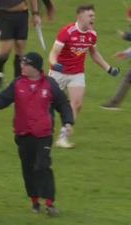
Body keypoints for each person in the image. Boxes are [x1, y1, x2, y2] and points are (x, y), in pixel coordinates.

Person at [0, 52, 74, 217]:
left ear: (35, 67)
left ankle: (50, 203)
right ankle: (35, 200)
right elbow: (4, 99)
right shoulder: (17, 83)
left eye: (25, 64)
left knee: (42, 165)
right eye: (22, 63)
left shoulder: (50, 84)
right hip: (23, 133)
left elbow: (63, 104)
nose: (21, 66)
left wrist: (68, 122)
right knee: (28, 168)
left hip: (43, 134)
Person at [48, 4, 120, 148]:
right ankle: (41, 131)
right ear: (80, 17)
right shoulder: (67, 32)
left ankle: (63, 137)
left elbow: (93, 53)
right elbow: (53, 53)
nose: (93, 18)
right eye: (90, 16)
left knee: (77, 104)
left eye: (93, 15)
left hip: (77, 74)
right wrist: (55, 64)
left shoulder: (92, 34)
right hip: (58, 73)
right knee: (47, 104)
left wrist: (108, 68)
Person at [0, 0, 42, 88]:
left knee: (20, 48)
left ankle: (17, 80)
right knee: (4, 51)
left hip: (22, 15)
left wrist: (35, 13)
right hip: (4, 15)